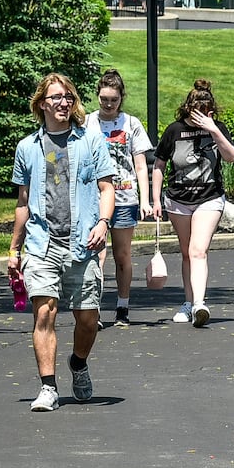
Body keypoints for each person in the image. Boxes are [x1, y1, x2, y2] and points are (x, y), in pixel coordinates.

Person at [7, 73, 115, 412]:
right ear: (42, 103)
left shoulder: (90, 141)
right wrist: (14, 248)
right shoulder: (27, 148)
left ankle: (79, 362)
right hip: (42, 244)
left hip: (83, 242)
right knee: (44, 313)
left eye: (68, 96)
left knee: (87, 318)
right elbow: (23, 202)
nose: (63, 102)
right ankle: (48, 388)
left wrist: (103, 222)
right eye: (56, 97)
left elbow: (107, 188)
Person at [153, 79, 234, 327]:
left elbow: (231, 157)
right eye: (195, 112)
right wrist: (155, 199)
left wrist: (214, 130)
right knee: (187, 253)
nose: (199, 116)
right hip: (178, 199)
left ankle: (200, 304)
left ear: (211, 111)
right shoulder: (174, 130)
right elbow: (159, 165)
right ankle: (188, 303)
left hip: (209, 198)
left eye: (205, 112)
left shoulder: (217, 127)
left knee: (198, 250)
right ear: (188, 108)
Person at [85, 69, 154, 325]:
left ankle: (122, 305)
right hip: (96, 198)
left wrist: (145, 200)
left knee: (122, 255)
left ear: (121, 98)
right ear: (98, 96)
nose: (108, 104)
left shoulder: (131, 123)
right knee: (97, 254)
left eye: (113, 99)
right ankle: (94, 308)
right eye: (104, 99)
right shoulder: (87, 122)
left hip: (125, 197)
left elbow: (139, 165)